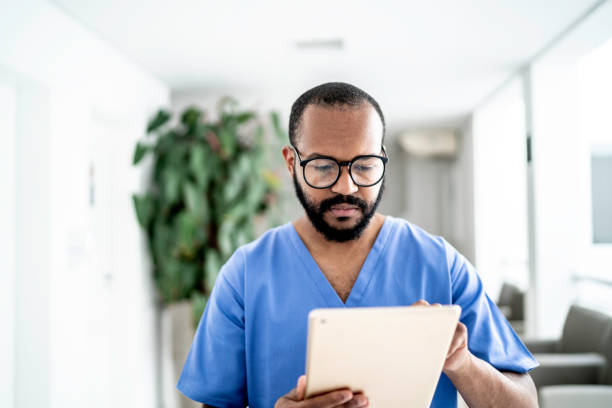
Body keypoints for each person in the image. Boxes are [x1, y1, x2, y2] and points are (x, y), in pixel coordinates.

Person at [177, 82, 539, 408]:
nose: (346, 187)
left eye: (364, 165)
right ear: (291, 163)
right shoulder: (245, 274)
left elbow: (524, 404)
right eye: (322, 167)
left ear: (382, 159)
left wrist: (462, 363)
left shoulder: (440, 264)